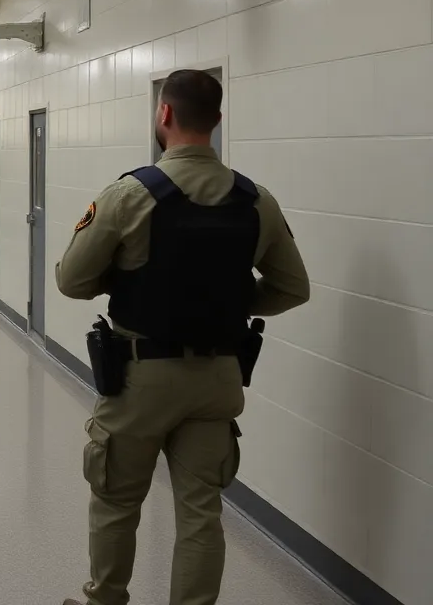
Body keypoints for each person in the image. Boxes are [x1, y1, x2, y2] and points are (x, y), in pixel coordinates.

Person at [54, 69, 310, 605]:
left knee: (117, 499)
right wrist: (234, 304)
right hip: (217, 379)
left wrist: (124, 281)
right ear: (216, 121)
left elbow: (71, 280)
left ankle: (104, 599)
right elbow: (292, 288)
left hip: (140, 377)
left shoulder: (129, 194)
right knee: (201, 512)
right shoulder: (256, 200)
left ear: (164, 114)